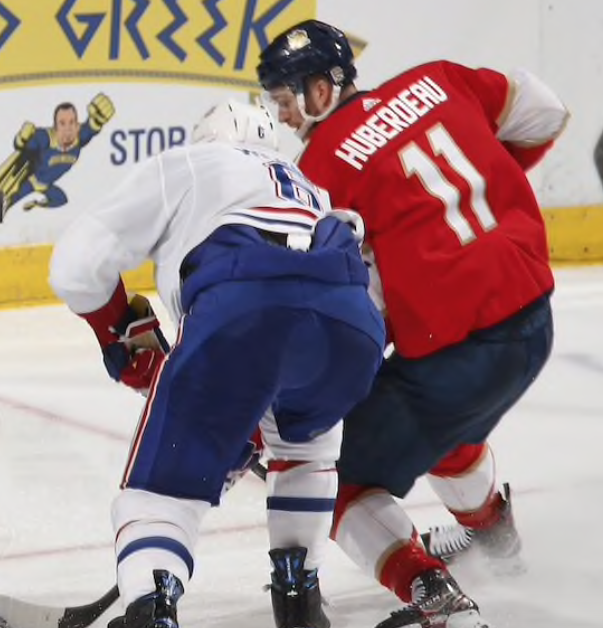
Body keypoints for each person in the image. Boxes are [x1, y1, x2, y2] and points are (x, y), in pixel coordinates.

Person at [257, 19, 567, 628]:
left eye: (289, 98)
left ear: (324, 90)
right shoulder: (439, 81)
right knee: (440, 424)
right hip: (534, 317)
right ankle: (494, 537)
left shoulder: (320, 170)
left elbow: (353, 306)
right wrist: (493, 186)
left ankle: (433, 595)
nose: (286, 114)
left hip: (461, 352)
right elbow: (546, 109)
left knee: (335, 482)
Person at [49, 99, 386, 628]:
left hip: (241, 312)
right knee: (304, 451)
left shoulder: (188, 163)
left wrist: (115, 330)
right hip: (351, 325)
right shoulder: (307, 186)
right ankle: (299, 597)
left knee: (160, 494)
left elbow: (75, 265)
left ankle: (152, 603)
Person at [4, 95, 115, 211]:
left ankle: (34, 204)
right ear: (55, 126)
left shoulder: (79, 139)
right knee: (7, 203)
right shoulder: (45, 138)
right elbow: (24, 147)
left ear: (77, 125)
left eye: (72, 122)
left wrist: (98, 118)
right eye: (62, 123)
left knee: (61, 200)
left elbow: (91, 128)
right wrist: (22, 138)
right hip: (28, 182)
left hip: (45, 186)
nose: (68, 128)